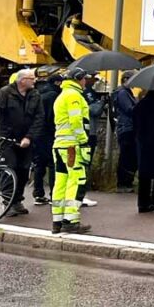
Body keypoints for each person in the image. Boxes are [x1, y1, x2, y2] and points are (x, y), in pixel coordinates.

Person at [0, 68, 38, 217]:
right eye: (31, 78)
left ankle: (17, 200)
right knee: (9, 168)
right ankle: (8, 201)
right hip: (7, 137)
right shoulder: (5, 93)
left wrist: (29, 137)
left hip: (26, 139)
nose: (34, 80)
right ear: (22, 80)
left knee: (23, 170)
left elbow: (38, 118)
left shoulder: (35, 96)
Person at [51, 66, 93, 234]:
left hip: (60, 145)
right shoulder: (74, 96)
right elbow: (76, 122)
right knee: (76, 181)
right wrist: (83, 140)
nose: (86, 82)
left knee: (60, 183)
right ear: (78, 79)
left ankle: (57, 221)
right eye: (84, 79)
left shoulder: (62, 96)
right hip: (72, 146)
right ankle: (71, 220)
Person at [30, 71, 62, 205]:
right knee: (53, 164)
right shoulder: (54, 96)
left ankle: (38, 194)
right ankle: (54, 193)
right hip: (49, 134)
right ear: (57, 82)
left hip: (37, 133)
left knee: (39, 164)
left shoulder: (39, 94)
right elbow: (52, 116)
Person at [77, 76, 104, 209]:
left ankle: (79, 195)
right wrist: (101, 101)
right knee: (83, 165)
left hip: (83, 135)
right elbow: (94, 110)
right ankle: (80, 195)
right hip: (86, 134)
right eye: (92, 77)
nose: (95, 80)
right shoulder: (85, 93)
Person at [113, 72, 139, 192]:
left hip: (128, 127)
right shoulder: (123, 93)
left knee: (129, 156)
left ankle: (126, 182)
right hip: (126, 128)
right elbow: (129, 109)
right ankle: (123, 183)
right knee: (126, 156)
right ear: (126, 80)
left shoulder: (127, 93)